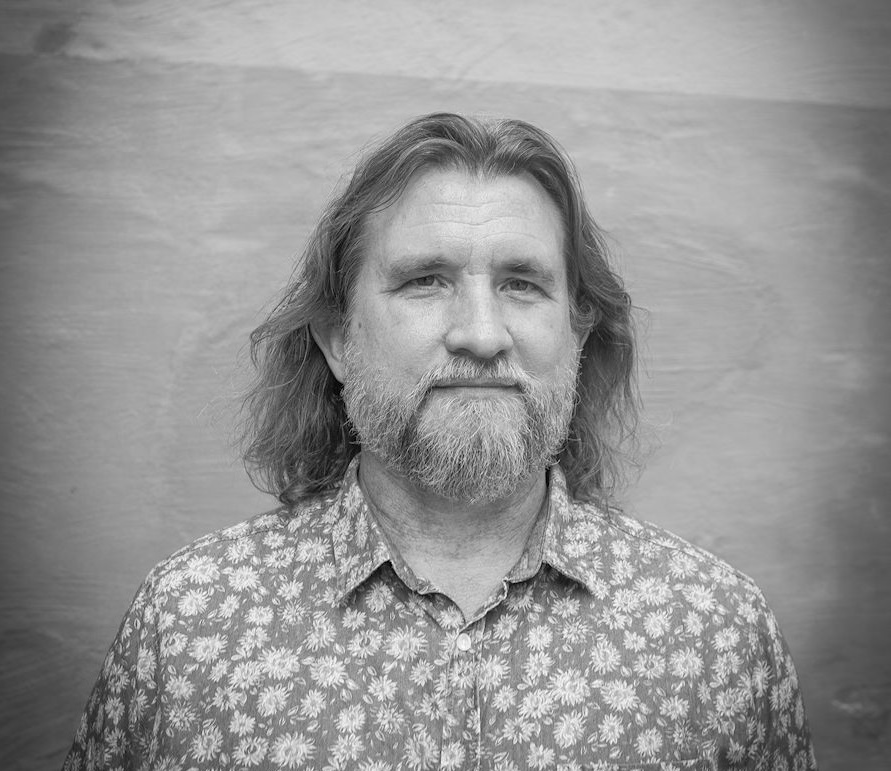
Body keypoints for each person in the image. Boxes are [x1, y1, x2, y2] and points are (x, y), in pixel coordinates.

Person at [63, 113, 817, 770]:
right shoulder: (191, 622)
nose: (481, 334)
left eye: (522, 283)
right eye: (425, 280)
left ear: (578, 331)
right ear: (335, 338)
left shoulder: (714, 630)